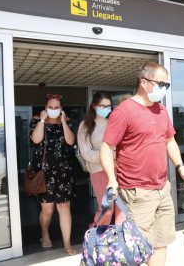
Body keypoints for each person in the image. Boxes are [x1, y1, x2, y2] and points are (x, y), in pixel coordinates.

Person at [100, 62, 184, 266]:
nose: (164, 89)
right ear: (144, 82)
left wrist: (180, 166)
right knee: (137, 248)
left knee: (161, 243)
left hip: (162, 188)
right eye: (162, 84)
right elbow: (107, 147)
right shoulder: (124, 111)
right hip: (137, 192)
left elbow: (169, 141)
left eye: (167, 85)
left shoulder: (161, 110)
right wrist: (111, 180)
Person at [29, 94, 77, 255]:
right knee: (48, 210)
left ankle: (67, 243)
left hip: (64, 172)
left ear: (61, 109)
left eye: (57, 107)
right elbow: (36, 140)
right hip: (44, 172)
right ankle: (44, 233)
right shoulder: (37, 120)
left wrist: (63, 121)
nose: (54, 110)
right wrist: (42, 121)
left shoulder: (67, 121)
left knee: (64, 207)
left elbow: (71, 141)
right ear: (45, 107)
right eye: (51, 107)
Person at [77, 91, 125, 227]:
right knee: (106, 208)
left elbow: (122, 147)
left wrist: (110, 154)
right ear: (94, 106)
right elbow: (86, 153)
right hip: (98, 171)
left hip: (119, 169)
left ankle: (121, 240)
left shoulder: (115, 122)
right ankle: (98, 235)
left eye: (108, 106)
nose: (106, 109)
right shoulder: (85, 125)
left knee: (121, 209)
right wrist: (109, 156)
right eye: (102, 106)